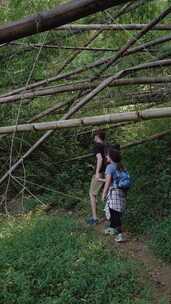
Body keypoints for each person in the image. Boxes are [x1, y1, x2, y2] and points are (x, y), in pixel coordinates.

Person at [102, 147, 126, 242]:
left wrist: (103, 193)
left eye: (107, 154)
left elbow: (108, 182)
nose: (106, 156)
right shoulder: (121, 166)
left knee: (114, 213)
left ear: (111, 156)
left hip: (114, 193)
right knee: (114, 211)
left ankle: (120, 234)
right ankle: (112, 228)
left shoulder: (110, 167)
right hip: (121, 192)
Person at [87, 129, 106, 225]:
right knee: (105, 193)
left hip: (100, 173)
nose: (94, 138)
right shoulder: (106, 146)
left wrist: (97, 172)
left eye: (95, 136)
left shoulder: (97, 146)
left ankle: (95, 218)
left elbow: (100, 158)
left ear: (97, 137)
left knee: (92, 194)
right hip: (107, 172)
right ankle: (109, 215)